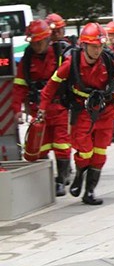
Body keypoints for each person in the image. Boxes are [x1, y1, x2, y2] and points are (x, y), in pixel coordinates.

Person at [38, 23, 114, 206]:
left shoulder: (109, 62)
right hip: (82, 113)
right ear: (84, 45)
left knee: (100, 154)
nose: (97, 50)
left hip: (105, 113)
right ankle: (79, 175)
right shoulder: (71, 64)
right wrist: (42, 107)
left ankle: (89, 192)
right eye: (94, 46)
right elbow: (50, 87)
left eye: (100, 46)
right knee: (85, 151)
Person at [11, 20, 71, 196]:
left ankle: (61, 179)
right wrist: (17, 109)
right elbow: (19, 86)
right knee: (41, 146)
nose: (36, 46)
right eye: (34, 43)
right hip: (38, 110)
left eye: (39, 42)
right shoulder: (27, 60)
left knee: (61, 144)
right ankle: (47, 179)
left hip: (59, 107)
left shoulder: (59, 54)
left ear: (47, 39)